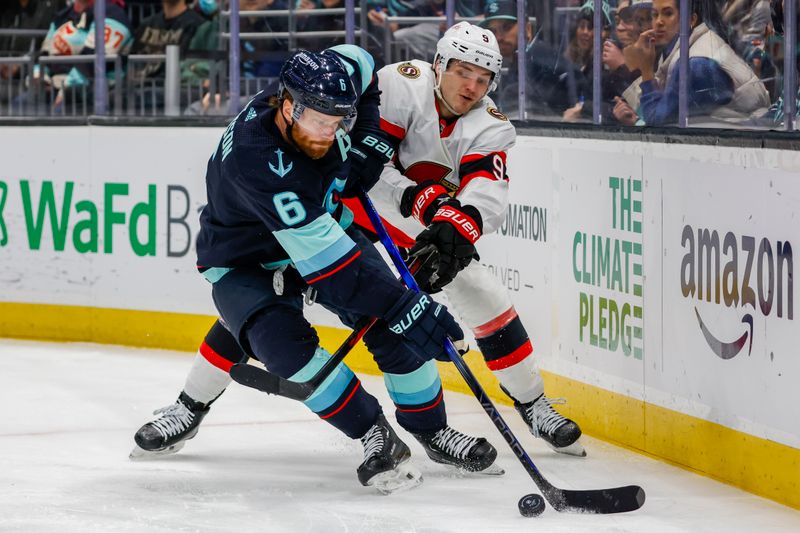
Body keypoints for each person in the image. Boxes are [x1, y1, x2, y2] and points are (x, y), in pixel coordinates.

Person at [132, 45, 499, 490]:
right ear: (288, 107)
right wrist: (408, 306)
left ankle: (432, 430)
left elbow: (362, 66)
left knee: (387, 327)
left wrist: (366, 138)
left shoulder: (321, 82)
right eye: (317, 122)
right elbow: (340, 274)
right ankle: (373, 432)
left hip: (322, 223)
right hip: (244, 258)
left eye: (336, 121)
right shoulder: (261, 162)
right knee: (279, 339)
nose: (327, 134)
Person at [346, 22, 586, 457]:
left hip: (417, 229)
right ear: (439, 65)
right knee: (266, 289)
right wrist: (427, 201)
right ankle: (194, 400)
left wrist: (458, 225)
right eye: (463, 72)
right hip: (354, 214)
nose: (472, 86)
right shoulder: (401, 86)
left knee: (484, 294)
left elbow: (486, 194)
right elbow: (367, 173)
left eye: (483, 78)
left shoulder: (489, 125)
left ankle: (532, 404)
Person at [623, 0, 771, 125]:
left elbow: (657, 123)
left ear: (691, 20)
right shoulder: (679, 50)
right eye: (654, 15)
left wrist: (645, 69)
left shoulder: (697, 64)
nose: (658, 22)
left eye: (668, 13)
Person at [480, 0, 583, 118]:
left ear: (527, 28)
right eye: (493, 31)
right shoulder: (520, 60)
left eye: (506, 27)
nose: (499, 37)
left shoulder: (543, 62)